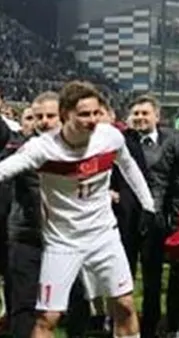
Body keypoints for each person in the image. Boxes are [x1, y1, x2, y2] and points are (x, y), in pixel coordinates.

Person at [0, 81, 155, 338]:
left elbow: (128, 166)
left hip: (104, 236)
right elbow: (5, 170)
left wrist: (148, 205)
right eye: (84, 114)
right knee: (48, 318)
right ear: (65, 115)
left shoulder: (110, 137)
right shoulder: (43, 148)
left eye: (96, 112)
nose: (92, 120)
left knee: (125, 305)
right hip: (62, 242)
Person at [129, 95, 179, 338]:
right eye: (136, 113)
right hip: (129, 217)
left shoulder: (172, 141)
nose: (140, 117)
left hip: (161, 218)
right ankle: (131, 322)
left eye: (145, 113)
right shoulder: (123, 141)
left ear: (157, 116)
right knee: (133, 276)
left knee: (160, 276)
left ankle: (160, 324)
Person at [3, 92, 58, 337]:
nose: (44, 121)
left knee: (71, 302)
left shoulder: (79, 148)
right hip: (27, 236)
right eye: (39, 116)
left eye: (50, 116)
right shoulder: (20, 148)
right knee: (23, 304)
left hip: (65, 239)